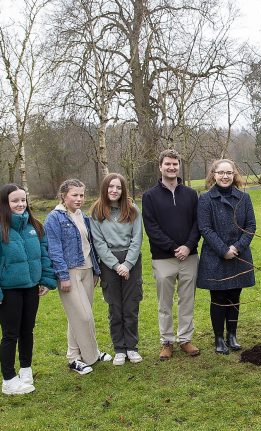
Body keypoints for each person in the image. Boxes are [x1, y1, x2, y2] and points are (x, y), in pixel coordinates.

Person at [0, 184, 57, 395]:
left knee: (27, 331)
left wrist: (45, 279)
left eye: (23, 200)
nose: (20, 205)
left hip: (31, 288)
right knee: (10, 335)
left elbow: (44, 254)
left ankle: (25, 371)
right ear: (4, 203)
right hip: (7, 292)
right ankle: (8, 380)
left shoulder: (35, 226)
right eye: (15, 201)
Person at [45, 179, 112, 375]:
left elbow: (89, 244)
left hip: (88, 270)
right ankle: (83, 356)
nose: (79, 198)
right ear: (63, 196)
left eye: (81, 195)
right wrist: (63, 275)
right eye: (74, 195)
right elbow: (54, 249)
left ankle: (79, 355)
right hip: (70, 272)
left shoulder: (82, 216)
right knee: (83, 316)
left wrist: (96, 271)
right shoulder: (54, 218)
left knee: (79, 315)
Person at [142, 149, 201, 360]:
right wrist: (173, 247)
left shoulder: (191, 194)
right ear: (160, 167)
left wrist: (188, 246)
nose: (171, 167)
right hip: (163, 258)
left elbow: (198, 223)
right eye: (167, 164)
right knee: (164, 303)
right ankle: (166, 341)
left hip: (190, 256)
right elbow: (151, 227)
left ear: (179, 166)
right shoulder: (149, 197)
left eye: (175, 164)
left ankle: (185, 339)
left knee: (187, 300)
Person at [197, 159, 256, 355]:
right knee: (218, 298)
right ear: (213, 175)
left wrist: (237, 248)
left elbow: (250, 227)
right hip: (215, 257)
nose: (225, 176)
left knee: (234, 296)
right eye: (221, 172)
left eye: (229, 172)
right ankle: (219, 338)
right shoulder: (205, 199)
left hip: (239, 255)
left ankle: (232, 335)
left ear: (234, 175)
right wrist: (224, 250)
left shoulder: (244, 198)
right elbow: (205, 228)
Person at [90, 173, 144, 365]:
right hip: (109, 263)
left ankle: (132, 347)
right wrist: (115, 265)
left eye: (118, 187)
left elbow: (137, 239)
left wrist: (128, 264)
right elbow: (98, 242)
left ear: (123, 190)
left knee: (130, 306)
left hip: (131, 260)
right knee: (115, 308)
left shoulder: (132, 210)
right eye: (111, 187)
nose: (114, 190)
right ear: (105, 189)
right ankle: (119, 348)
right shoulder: (97, 212)